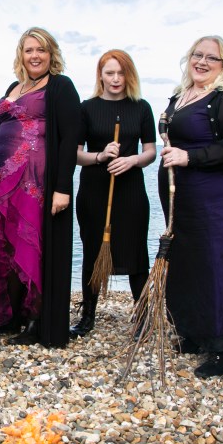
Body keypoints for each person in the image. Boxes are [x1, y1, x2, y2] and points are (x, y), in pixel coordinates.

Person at [157, 36, 223, 378]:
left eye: (211, 58)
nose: (201, 61)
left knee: (217, 265)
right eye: (196, 55)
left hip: (215, 196)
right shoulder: (179, 95)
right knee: (188, 265)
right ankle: (196, 334)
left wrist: (191, 156)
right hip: (181, 198)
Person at [0, 27, 81, 347]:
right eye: (29, 50)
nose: (35, 56)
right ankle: (12, 314)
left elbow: (71, 137)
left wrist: (63, 187)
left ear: (51, 53)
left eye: (41, 50)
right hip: (2, 181)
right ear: (21, 54)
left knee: (32, 247)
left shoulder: (61, 86)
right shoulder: (14, 86)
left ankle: (36, 319)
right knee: (7, 246)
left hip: (34, 180)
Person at [72, 50, 156, 338]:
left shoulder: (142, 108)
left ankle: (142, 317)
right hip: (95, 190)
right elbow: (76, 153)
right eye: (110, 73)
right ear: (101, 76)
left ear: (129, 75)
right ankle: (87, 317)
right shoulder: (86, 108)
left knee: (136, 250)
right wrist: (101, 156)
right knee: (93, 250)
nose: (116, 79)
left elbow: (150, 151)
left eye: (121, 73)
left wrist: (131, 160)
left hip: (130, 190)